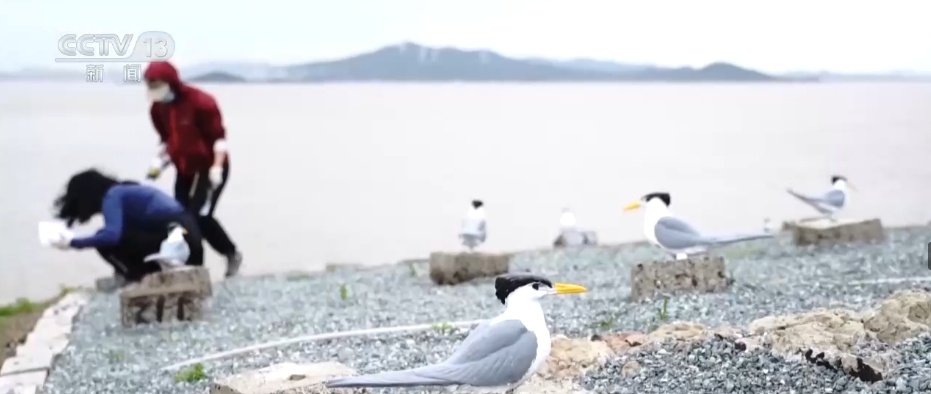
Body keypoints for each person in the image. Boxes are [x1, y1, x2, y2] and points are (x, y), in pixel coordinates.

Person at [142, 60, 242, 277]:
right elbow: (167, 141)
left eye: (157, 84)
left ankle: (230, 254)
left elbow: (219, 140)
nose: (153, 90)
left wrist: (216, 168)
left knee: (199, 218)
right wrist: (158, 163)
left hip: (210, 166)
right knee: (179, 218)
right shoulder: (158, 109)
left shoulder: (201, 102)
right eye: (149, 85)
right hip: (184, 168)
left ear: (171, 82)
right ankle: (190, 268)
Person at [51, 169, 204, 284]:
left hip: (174, 241)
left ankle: (138, 278)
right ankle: (147, 274)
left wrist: (73, 242)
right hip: (190, 244)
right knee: (117, 235)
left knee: (103, 239)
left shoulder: (112, 196)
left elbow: (112, 236)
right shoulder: (128, 191)